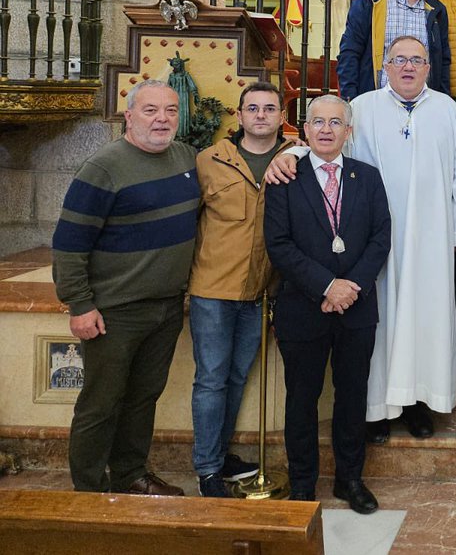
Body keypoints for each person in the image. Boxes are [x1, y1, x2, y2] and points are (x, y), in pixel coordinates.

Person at [266, 35, 456, 441]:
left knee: (424, 316)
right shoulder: (362, 107)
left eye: (417, 60)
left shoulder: (447, 109)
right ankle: (378, 409)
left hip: (430, 236)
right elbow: (326, 146)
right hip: (369, 240)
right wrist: (289, 154)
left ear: (429, 68)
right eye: (399, 59)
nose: (408, 67)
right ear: (385, 65)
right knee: (377, 325)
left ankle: (420, 403)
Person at [51, 79, 198, 496]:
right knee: (101, 404)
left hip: (166, 306)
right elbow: (69, 242)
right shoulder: (104, 167)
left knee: (142, 399)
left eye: (170, 110)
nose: (162, 119)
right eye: (150, 110)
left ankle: (132, 475)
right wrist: (79, 305)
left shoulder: (185, 157)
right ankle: (90, 490)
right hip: (114, 311)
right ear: (129, 115)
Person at [263, 95, 391, 512]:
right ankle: (303, 483)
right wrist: (326, 286)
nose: (326, 129)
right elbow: (278, 244)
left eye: (335, 122)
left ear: (348, 131)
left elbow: (380, 238)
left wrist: (350, 285)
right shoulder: (286, 176)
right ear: (305, 129)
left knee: (352, 396)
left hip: (356, 308)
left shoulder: (367, 177)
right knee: (302, 398)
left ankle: (349, 479)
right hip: (303, 307)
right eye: (317, 121)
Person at [189, 81, 288, 497]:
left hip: (261, 290)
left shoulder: (294, 160)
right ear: (240, 115)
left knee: (235, 377)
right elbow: (188, 225)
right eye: (253, 108)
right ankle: (208, 469)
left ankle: (221, 453)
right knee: (212, 379)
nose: (261, 115)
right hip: (213, 287)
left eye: (269, 108)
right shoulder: (210, 161)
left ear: (283, 117)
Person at [337, 0, 450, 99]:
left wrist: (441, 100)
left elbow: (442, 61)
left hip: (423, 104)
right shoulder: (370, 3)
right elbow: (350, 53)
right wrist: (350, 99)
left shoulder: (436, 10)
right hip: (376, 101)